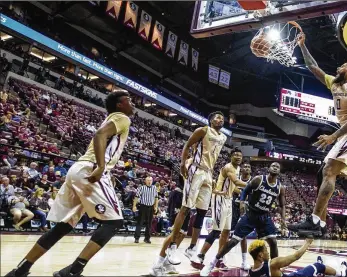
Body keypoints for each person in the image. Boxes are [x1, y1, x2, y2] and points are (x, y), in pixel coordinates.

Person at [5, 91, 134, 277]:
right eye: (128, 100)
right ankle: (73, 271)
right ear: (120, 105)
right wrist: (101, 167)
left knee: (63, 226)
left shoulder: (113, 118)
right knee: (114, 222)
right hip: (90, 170)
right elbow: (99, 135)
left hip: (78, 170)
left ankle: (21, 269)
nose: (133, 104)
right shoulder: (122, 118)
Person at [288, 33, 347, 238]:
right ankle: (321, 223)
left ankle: (315, 221)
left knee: (330, 170)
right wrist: (302, 46)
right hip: (344, 135)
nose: (338, 68)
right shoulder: (333, 83)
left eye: (342, 66)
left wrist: (332, 137)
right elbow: (313, 67)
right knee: (322, 174)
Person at [149, 111, 227, 276]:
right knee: (175, 233)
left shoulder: (221, 139)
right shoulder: (193, 158)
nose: (220, 119)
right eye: (217, 117)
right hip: (180, 197)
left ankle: (174, 258)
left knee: (185, 229)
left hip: (204, 179)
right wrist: (184, 162)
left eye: (222, 117)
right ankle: (159, 262)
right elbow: (187, 149)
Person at [201, 162, 286, 276]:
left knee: (273, 242)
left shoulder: (280, 187)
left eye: (277, 166)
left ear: (279, 171)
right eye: (273, 165)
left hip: (264, 216)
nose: (275, 167)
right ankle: (212, 264)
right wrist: (241, 202)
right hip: (251, 215)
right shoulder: (259, 180)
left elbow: (282, 205)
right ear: (269, 169)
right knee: (233, 242)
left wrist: (283, 220)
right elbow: (245, 190)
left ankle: (275, 268)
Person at [191, 150, 249, 270]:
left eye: (240, 155)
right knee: (217, 230)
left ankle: (219, 259)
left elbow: (234, 188)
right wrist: (253, 186)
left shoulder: (237, 169)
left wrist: (245, 193)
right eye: (235, 155)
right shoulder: (228, 167)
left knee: (226, 232)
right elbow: (236, 182)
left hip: (228, 199)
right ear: (230, 157)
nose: (238, 157)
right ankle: (200, 256)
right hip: (219, 198)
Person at [248, 238, 347, 277]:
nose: (268, 252)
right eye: (266, 250)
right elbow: (296, 256)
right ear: (260, 255)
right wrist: (307, 243)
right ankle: (342, 274)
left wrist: (280, 270)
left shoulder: (251, 272)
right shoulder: (272, 264)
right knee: (318, 266)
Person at [132, 176, 158, 244]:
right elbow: (136, 197)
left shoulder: (154, 188)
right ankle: (137, 238)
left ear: (152, 181)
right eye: (148, 180)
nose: (149, 182)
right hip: (143, 207)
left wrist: (156, 207)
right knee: (140, 222)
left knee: (149, 224)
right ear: (145, 181)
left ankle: (147, 238)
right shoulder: (141, 188)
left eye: (150, 180)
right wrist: (134, 206)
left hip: (151, 207)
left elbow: (156, 198)